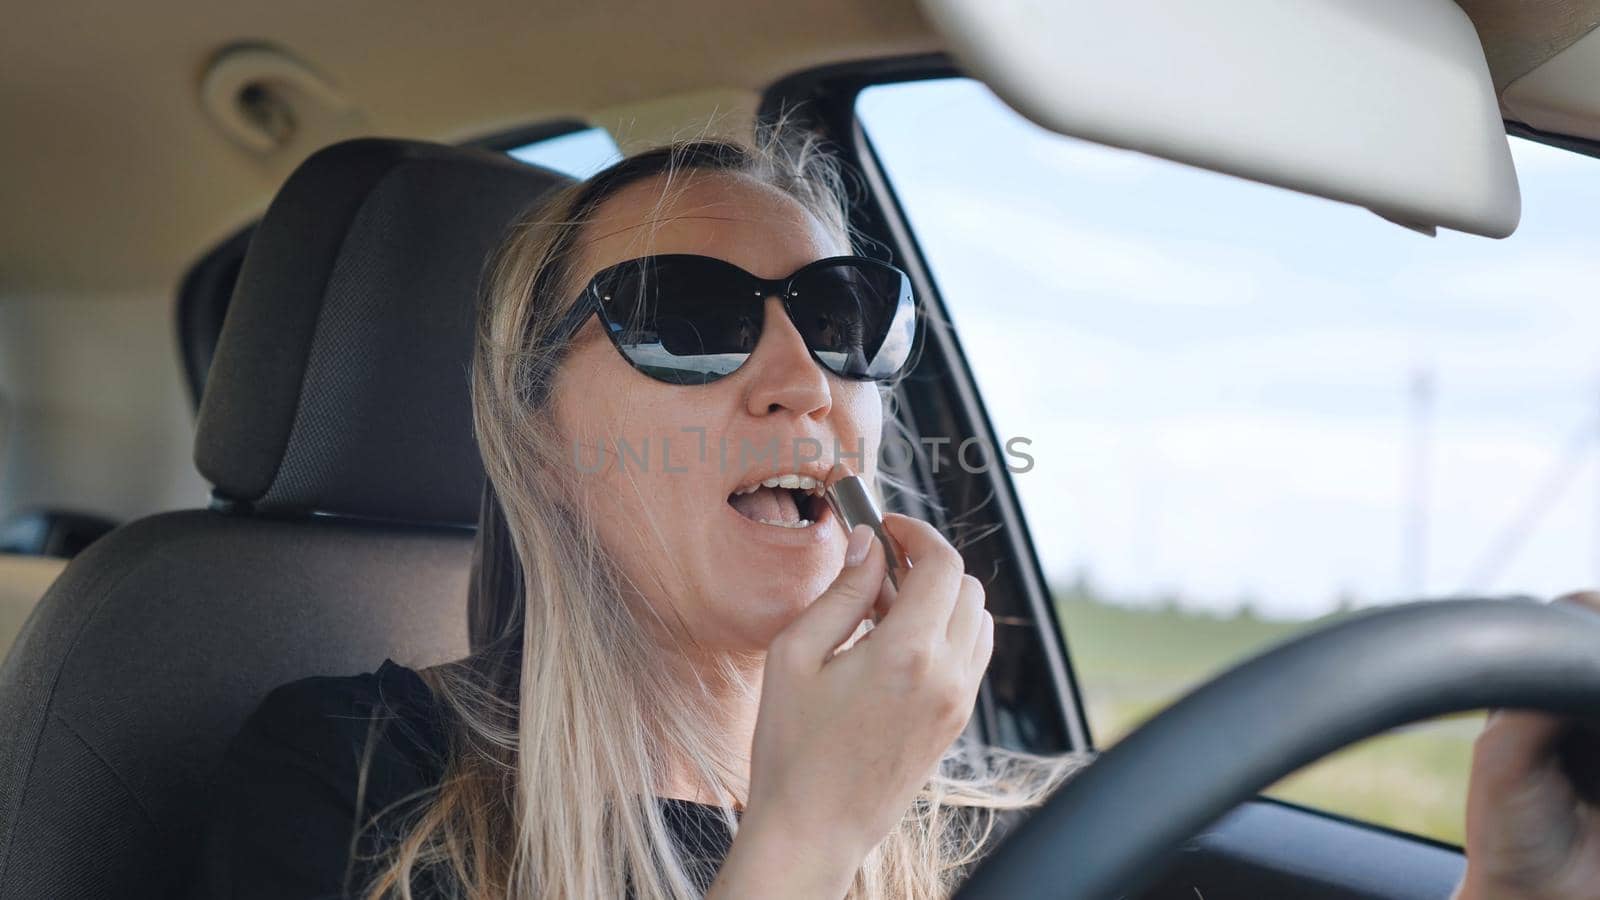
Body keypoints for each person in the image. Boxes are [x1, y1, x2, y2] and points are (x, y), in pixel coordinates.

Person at [187, 115, 1600, 900]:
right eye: (688, 317)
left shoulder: (987, 829)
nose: (803, 376)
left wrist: (1514, 890)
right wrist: (801, 840)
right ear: (537, 439)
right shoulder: (351, 791)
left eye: (846, 316)